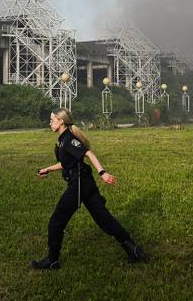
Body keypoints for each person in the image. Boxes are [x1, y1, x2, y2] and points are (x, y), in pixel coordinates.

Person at [31, 108, 145, 269]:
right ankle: (132, 249)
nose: (50, 122)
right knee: (103, 219)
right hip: (85, 183)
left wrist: (103, 172)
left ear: (61, 121)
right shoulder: (63, 139)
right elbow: (67, 163)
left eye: (52, 119)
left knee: (56, 222)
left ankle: (52, 260)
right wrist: (48, 169)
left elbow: (88, 154)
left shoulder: (69, 139)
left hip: (78, 185)